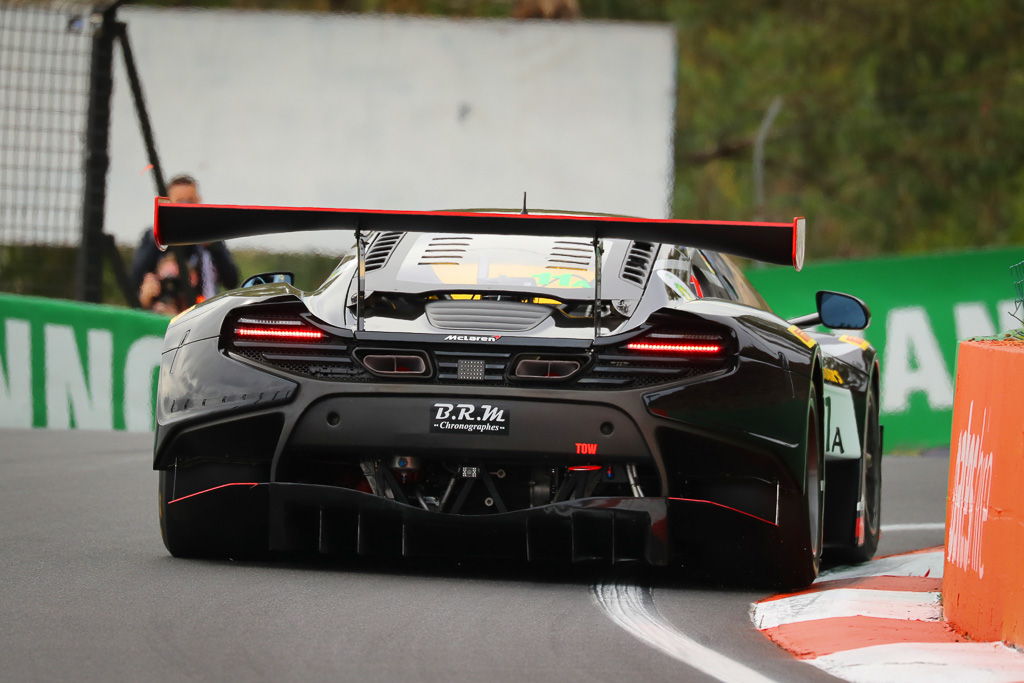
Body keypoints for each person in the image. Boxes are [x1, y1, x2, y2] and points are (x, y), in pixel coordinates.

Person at [131, 174, 239, 314]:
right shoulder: (154, 237)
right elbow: (135, 279)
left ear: (199, 202)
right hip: (164, 312)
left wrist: (213, 245)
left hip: (200, 312)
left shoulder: (210, 237)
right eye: (180, 202)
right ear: (168, 204)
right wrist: (163, 232)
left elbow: (232, 280)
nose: (186, 208)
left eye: (191, 201)